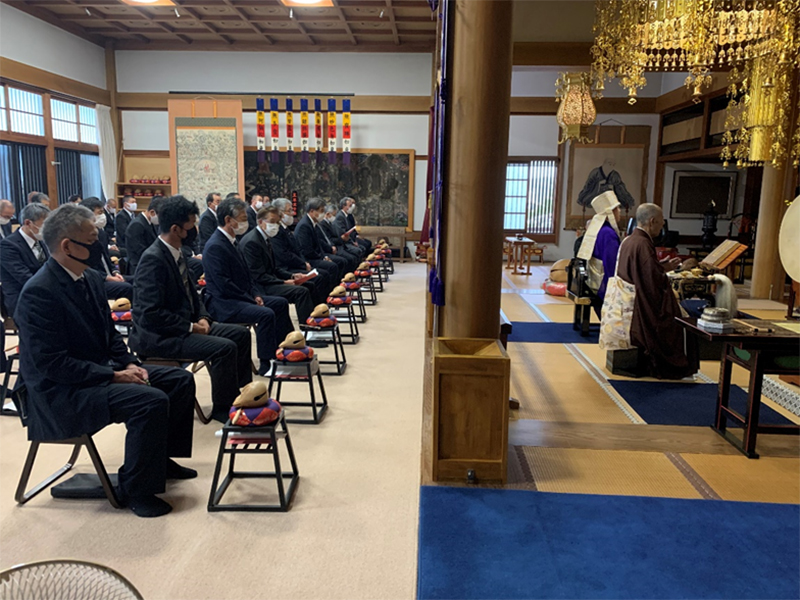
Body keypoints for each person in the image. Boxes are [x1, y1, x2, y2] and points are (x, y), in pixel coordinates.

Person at [14, 204, 196, 518]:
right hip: (59, 394)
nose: (100, 244)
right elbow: (53, 365)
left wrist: (127, 363)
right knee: (148, 400)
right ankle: (138, 489)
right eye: (92, 238)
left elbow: (110, 335)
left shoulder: (91, 277)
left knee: (178, 379)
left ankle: (160, 460)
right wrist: (113, 376)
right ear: (67, 246)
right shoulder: (39, 293)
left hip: (95, 374)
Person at [129, 195, 252, 423]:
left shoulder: (178, 252)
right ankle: (223, 410)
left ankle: (242, 394)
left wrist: (203, 317)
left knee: (240, 334)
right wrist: (191, 326)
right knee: (224, 348)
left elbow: (193, 295)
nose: (195, 230)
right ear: (176, 229)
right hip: (160, 336)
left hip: (186, 325)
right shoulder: (153, 259)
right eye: (190, 226)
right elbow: (149, 313)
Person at [603, 203, 697, 380]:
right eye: (661, 223)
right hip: (639, 304)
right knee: (681, 321)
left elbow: (643, 273)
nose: (662, 227)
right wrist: (663, 274)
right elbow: (652, 284)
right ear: (652, 221)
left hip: (627, 300)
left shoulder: (630, 240)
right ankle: (676, 365)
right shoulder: (643, 244)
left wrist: (662, 267)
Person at [203, 197, 293, 376]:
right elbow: (223, 284)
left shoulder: (233, 240)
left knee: (280, 303)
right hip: (224, 303)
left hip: (242, 296)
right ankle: (265, 363)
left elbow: (247, 275)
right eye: (243, 218)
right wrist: (250, 299)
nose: (246, 222)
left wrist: (255, 293)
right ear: (229, 220)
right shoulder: (215, 245)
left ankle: (283, 348)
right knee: (265, 314)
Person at [240, 205, 316, 323]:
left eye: (277, 222)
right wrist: (284, 282)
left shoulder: (265, 237)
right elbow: (258, 276)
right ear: (260, 222)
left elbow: (274, 268)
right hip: (261, 287)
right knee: (301, 292)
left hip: (269, 281)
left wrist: (292, 276)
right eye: (272, 222)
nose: (275, 225)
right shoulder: (252, 242)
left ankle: (315, 320)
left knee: (309, 285)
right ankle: (309, 328)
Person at [576, 191, 622, 317]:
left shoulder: (599, 229)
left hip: (593, 278)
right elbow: (612, 262)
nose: (620, 211)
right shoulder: (608, 233)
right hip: (603, 281)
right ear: (610, 213)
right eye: (617, 208)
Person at [0, 202, 50, 316]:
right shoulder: (8, 246)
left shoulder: (42, 242)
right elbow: (24, 277)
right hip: (23, 300)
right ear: (28, 223)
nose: (47, 229)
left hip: (43, 294)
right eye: (44, 225)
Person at [80, 197, 133, 300]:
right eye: (99, 213)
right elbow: (87, 269)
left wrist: (115, 272)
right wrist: (108, 278)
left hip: (109, 274)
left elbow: (106, 258)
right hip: (96, 281)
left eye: (102, 212)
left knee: (139, 279)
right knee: (127, 288)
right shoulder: (81, 238)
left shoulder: (102, 234)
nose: (102, 216)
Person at [295, 198, 347, 280]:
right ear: (312, 211)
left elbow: (318, 243)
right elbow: (307, 250)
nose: (323, 214)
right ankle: (331, 291)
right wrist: (322, 257)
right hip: (308, 259)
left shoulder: (312, 223)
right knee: (332, 267)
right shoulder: (304, 225)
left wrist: (324, 256)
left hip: (316, 256)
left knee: (340, 261)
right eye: (321, 211)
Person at [126, 196, 164, 274]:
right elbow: (140, 251)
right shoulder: (137, 225)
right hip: (139, 267)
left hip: (149, 263)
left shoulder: (150, 223)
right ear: (152, 212)